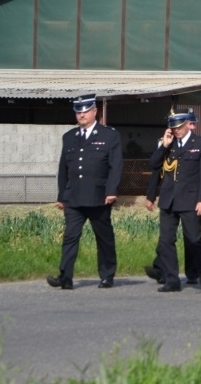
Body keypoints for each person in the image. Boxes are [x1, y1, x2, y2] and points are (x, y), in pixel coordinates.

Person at [47, 94, 123, 290]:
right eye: (78, 111)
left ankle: (107, 275)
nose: (81, 115)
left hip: (99, 196)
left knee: (103, 237)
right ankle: (65, 277)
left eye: (86, 111)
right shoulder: (69, 137)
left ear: (95, 112)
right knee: (70, 237)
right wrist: (61, 196)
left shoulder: (109, 135)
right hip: (74, 197)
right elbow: (64, 169)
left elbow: (115, 166)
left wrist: (112, 191)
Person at [146, 108, 201, 292]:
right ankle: (172, 280)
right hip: (168, 200)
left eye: (179, 127)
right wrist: (164, 146)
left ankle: (200, 269)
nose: (176, 130)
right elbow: (154, 164)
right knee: (166, 240)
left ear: (187, 124)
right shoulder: (168, 144)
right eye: (173, 127)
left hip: (190, 200)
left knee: (193, 239)